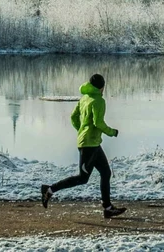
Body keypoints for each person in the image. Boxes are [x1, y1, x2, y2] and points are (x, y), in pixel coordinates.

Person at [40, 73, 126, 218]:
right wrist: (112, 132)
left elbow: (73, 117)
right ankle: (49, 189)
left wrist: (81, 130)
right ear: (102, 86)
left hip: (91, 143)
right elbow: (98, 123)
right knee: (82, 178)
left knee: (106, 173)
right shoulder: (99, 101)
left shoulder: (84, 98)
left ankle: (108, 208)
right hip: (89, 144)